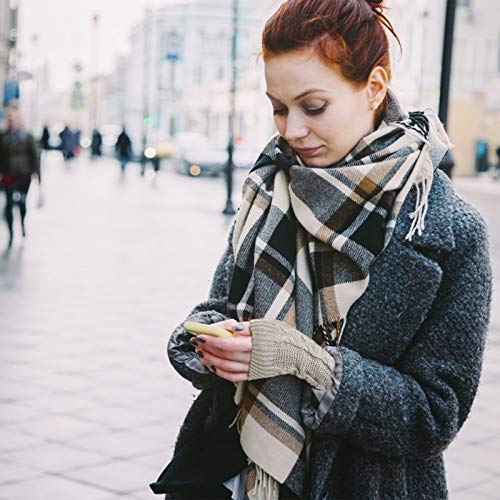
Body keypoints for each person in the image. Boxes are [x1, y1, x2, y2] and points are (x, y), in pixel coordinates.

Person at [151, 1, 492, 499]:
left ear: (374, 88)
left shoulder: (448, 229)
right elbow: (221, 305)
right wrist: (212, 341)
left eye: (313, 107)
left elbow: (433, 415)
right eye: (278, 107)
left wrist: (308, 362)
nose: (291, 130)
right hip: (238, 476)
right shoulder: (268, 190)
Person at [0, 101, 41, 248]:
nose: (10, 122)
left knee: (22, 203)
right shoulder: (3, 136)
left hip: (24, 175)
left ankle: (22, 224)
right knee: (9, 204)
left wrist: (38, 176)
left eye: (13, 119)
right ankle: (11, 233)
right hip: (8, 175)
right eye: (8, 119)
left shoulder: (26, 136)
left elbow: (35, 156)